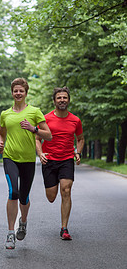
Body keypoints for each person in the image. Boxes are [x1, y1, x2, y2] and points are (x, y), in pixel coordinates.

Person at [0, 78, 52, 250]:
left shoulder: (35, 112)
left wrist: (33, 129)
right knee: (13, 191)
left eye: (21, 91)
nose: (18, 93)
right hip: (10, 157)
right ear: (12, 93)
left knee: (24, 197)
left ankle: (23, 222)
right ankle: (10, 233)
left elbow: (48, 135)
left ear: (26, 93)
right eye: (15, 91)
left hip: (28, 159)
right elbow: (1, 134)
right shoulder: (5, 114)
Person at [35, 86, 84, 240]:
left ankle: (64, 228)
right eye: (59, 98)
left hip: (66, 159)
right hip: (49, 160)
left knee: (66, 190)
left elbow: (80, 138)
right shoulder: (46, 119)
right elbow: (37, 138)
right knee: (51, 197)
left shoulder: (75, 120)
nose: (62, 100)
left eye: (65, 97)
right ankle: (54, 184)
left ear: (68, 100)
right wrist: (40, 153)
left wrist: (78, 152)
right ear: (54, 100)